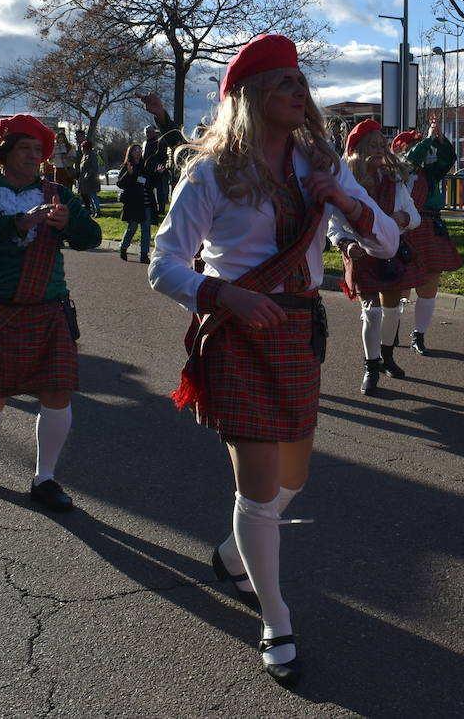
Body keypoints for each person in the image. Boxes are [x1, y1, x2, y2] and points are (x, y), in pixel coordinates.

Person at [149, 34, 398, 687]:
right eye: (283, 82)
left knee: (294, 479)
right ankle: (275, 617)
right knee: (259, 491)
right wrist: (219, 290)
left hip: (298, 332)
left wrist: (344, 201)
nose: (299, 91)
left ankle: (233, 555)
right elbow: (163, 263)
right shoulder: (211, 170)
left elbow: (392, 238)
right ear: (252, 97)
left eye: (300, 80)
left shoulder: (320, 161)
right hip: (236, 333)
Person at [0, 113, 103, 512]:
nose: (34, 156)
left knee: (57, 395)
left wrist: (69, 226)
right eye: (25, 148)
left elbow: (92, 238)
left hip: (49, 310)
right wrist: (18, 221)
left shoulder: (57, 194)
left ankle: (44, 478)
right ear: (4, 152)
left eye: (38, 150)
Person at [333, 119, 422, 393]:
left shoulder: (394, 181)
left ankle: (387, 358)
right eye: (371, 145)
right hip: (360, 255)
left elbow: (415, 217)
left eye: (381, 144)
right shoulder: (345, 183)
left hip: (391, 253)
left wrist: (402, 218)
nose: (378, 150)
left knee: (392, 310)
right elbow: (332, 225)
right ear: (356, 149)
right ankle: (370, 369)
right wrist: (346, 244)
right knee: (371, 313)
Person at [394, 118, 462, 355]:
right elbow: (408, 161)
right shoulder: (396, 173)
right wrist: (426, 141)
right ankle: (392, 328)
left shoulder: (429, 173)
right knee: (399, 284)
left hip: (430, 226)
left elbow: (447, 160)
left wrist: (440, 141)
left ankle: (419, 335)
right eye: (414, 145)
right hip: (403, 229)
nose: (422, 149)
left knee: (429, 283)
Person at [141, 94, 187, 219]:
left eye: (149, 132)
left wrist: (162, 167)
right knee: (149, 191)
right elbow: (180, 144)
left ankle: (161, 208)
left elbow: (175, 146)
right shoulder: (145, 144)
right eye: (146, 133)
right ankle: (154, 210)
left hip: (160, 170)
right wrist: (161, 116)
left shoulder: (160, 142)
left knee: (162, 191)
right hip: (148, 171)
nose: (148, 135)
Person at [116, 144, 155, 263]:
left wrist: (158, 174)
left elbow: (150, 182)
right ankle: (123, 247)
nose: (138, 152)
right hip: (133, 203)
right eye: (136, 150)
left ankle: (144, 254)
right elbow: (120, 184)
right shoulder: (127, 166)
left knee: (146, 229)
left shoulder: (144, 166)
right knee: (132, 227)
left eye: (140, 150)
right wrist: (129, 173)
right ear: (131, 152)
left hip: (146, 202)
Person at [75, 139, 103, 218]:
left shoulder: (92, 156)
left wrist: (88, 175)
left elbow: (94, 168)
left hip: (91, 180)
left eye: (82, 148)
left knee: (93, 196)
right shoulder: (85, 156)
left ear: (86, 148)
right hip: (85, 181)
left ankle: (98, 211)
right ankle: (94, 211)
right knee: (90, 197)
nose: (81, 150)